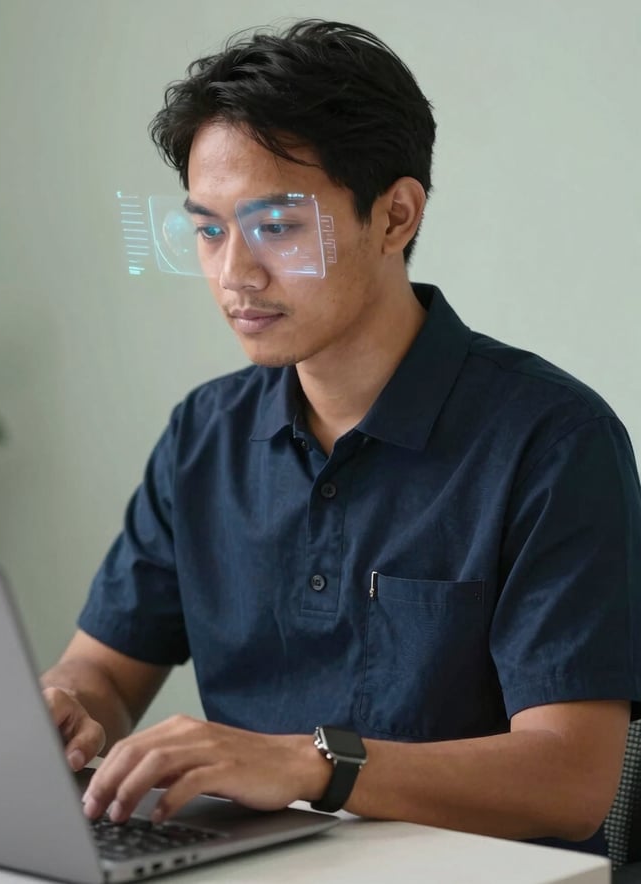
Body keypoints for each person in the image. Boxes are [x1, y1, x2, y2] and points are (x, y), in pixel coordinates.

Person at [41, 19, 641, 854]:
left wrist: (312, 764)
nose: (233, 274)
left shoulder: (553, 442)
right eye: (209, 229)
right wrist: (67, 704)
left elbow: (573, 781)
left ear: (395, 216)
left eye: (276, 227)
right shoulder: (206, 434)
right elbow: (104, 672)